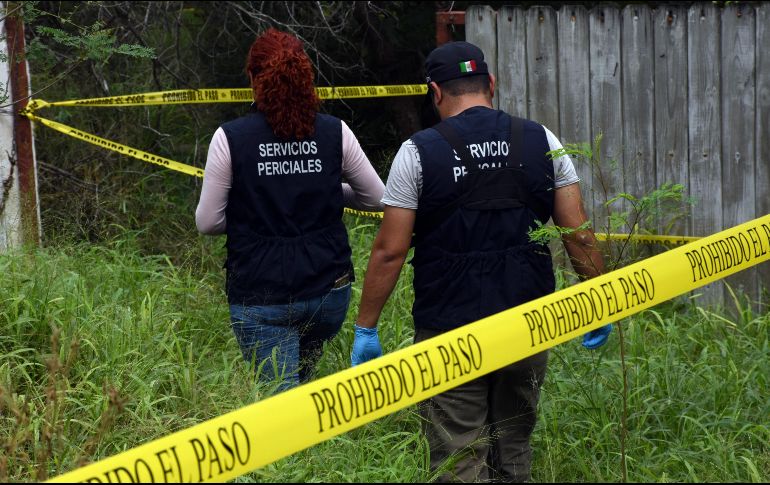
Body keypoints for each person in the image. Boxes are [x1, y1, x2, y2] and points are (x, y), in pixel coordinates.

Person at [350, 41, 611, 482]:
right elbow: (577, 234)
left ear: (434, 92)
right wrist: (599, 302)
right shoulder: (541, 139)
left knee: (458, 454)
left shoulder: (417, 152)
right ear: (491, 84)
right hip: (529, 322)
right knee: (514, 444)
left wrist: (366, 328)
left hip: (449, 330)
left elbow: (390, 250)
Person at [196, 29, 384, 392]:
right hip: (328, 292)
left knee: (281, 403)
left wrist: (249, 203)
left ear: (252, 78)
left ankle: (301, 447)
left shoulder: (230, 138)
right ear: (305, 79)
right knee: (302, 388)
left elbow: (208, 221)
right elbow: (377, 197)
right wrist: (331, 191)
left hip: (261, 296)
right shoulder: (335, 132)